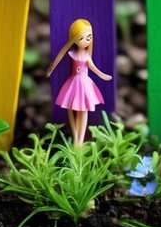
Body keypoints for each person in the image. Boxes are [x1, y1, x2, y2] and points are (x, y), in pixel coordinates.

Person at [46, 19, 112, 147]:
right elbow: (59, 57)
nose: (86, 41)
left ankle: (80, 142)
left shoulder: (86, 56)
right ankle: (76, 139)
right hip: (74, 83)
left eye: (89, 37)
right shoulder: (71, 54)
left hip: (85, 84)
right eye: (82, 38)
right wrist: (51, 68)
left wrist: (103, 76)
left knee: (84, 110)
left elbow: (94, 68)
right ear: (75, 39)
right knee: (72, 109)